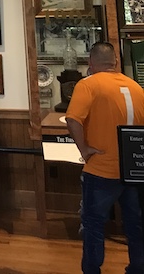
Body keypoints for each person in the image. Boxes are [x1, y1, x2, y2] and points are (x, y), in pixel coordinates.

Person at [65, 41, 144, 274]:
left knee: (93, 225)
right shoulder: (136, 87)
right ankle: (138, 268)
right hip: (134, 169)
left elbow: (72, 119)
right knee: (135, 225)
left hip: (101, 168)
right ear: (115, 62)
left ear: (90, 63)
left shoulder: (88, 84)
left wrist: (85, 149)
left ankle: (92, 270)